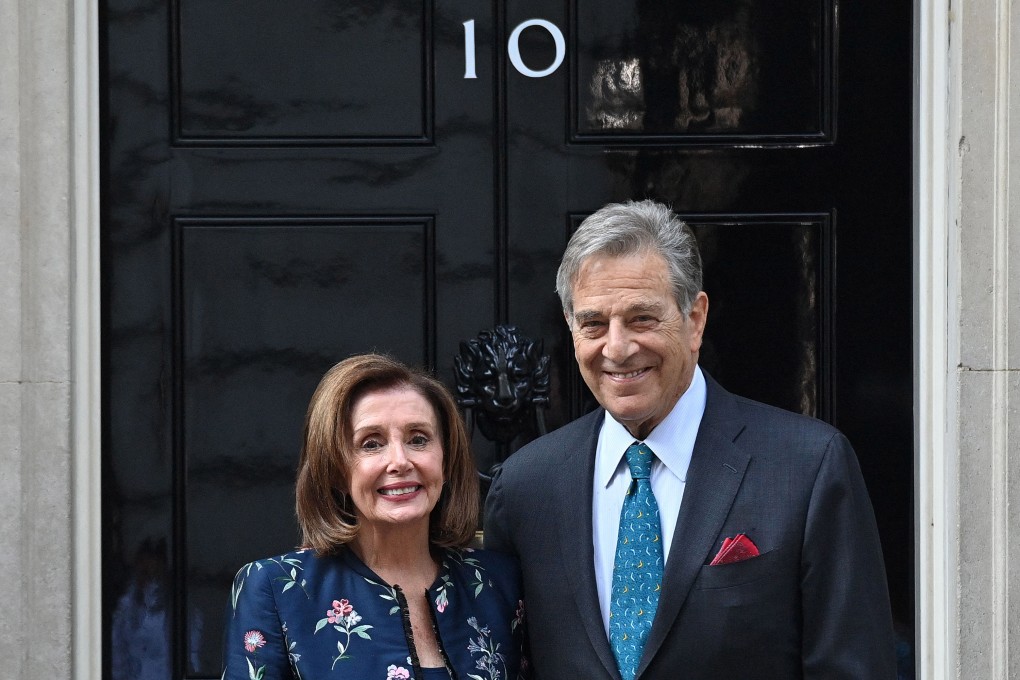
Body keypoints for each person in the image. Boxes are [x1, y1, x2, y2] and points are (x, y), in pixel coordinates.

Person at [484, 199, 896, 679]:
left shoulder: (808, 467)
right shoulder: (525, 487)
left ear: (695, 319)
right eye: (593, 323)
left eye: (642, 318)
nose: (616, 348)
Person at [223, 354, 528, 680]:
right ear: (336, 471)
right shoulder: (276, 589)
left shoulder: (499, 583)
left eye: (418, 439)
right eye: (371, 444)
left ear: (446, 458)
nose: (400, 461)